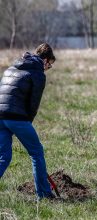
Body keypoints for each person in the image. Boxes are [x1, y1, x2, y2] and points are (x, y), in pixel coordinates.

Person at [0, 43, 56, 200]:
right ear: (45, 60)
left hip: (0, 117)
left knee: (3, 157)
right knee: (36, 153)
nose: (48, 68)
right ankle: (44, 194)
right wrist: (26, 123)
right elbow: (33, 104)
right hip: (16, 118)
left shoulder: (12, 67)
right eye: (49, 65)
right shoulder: (37, 73)